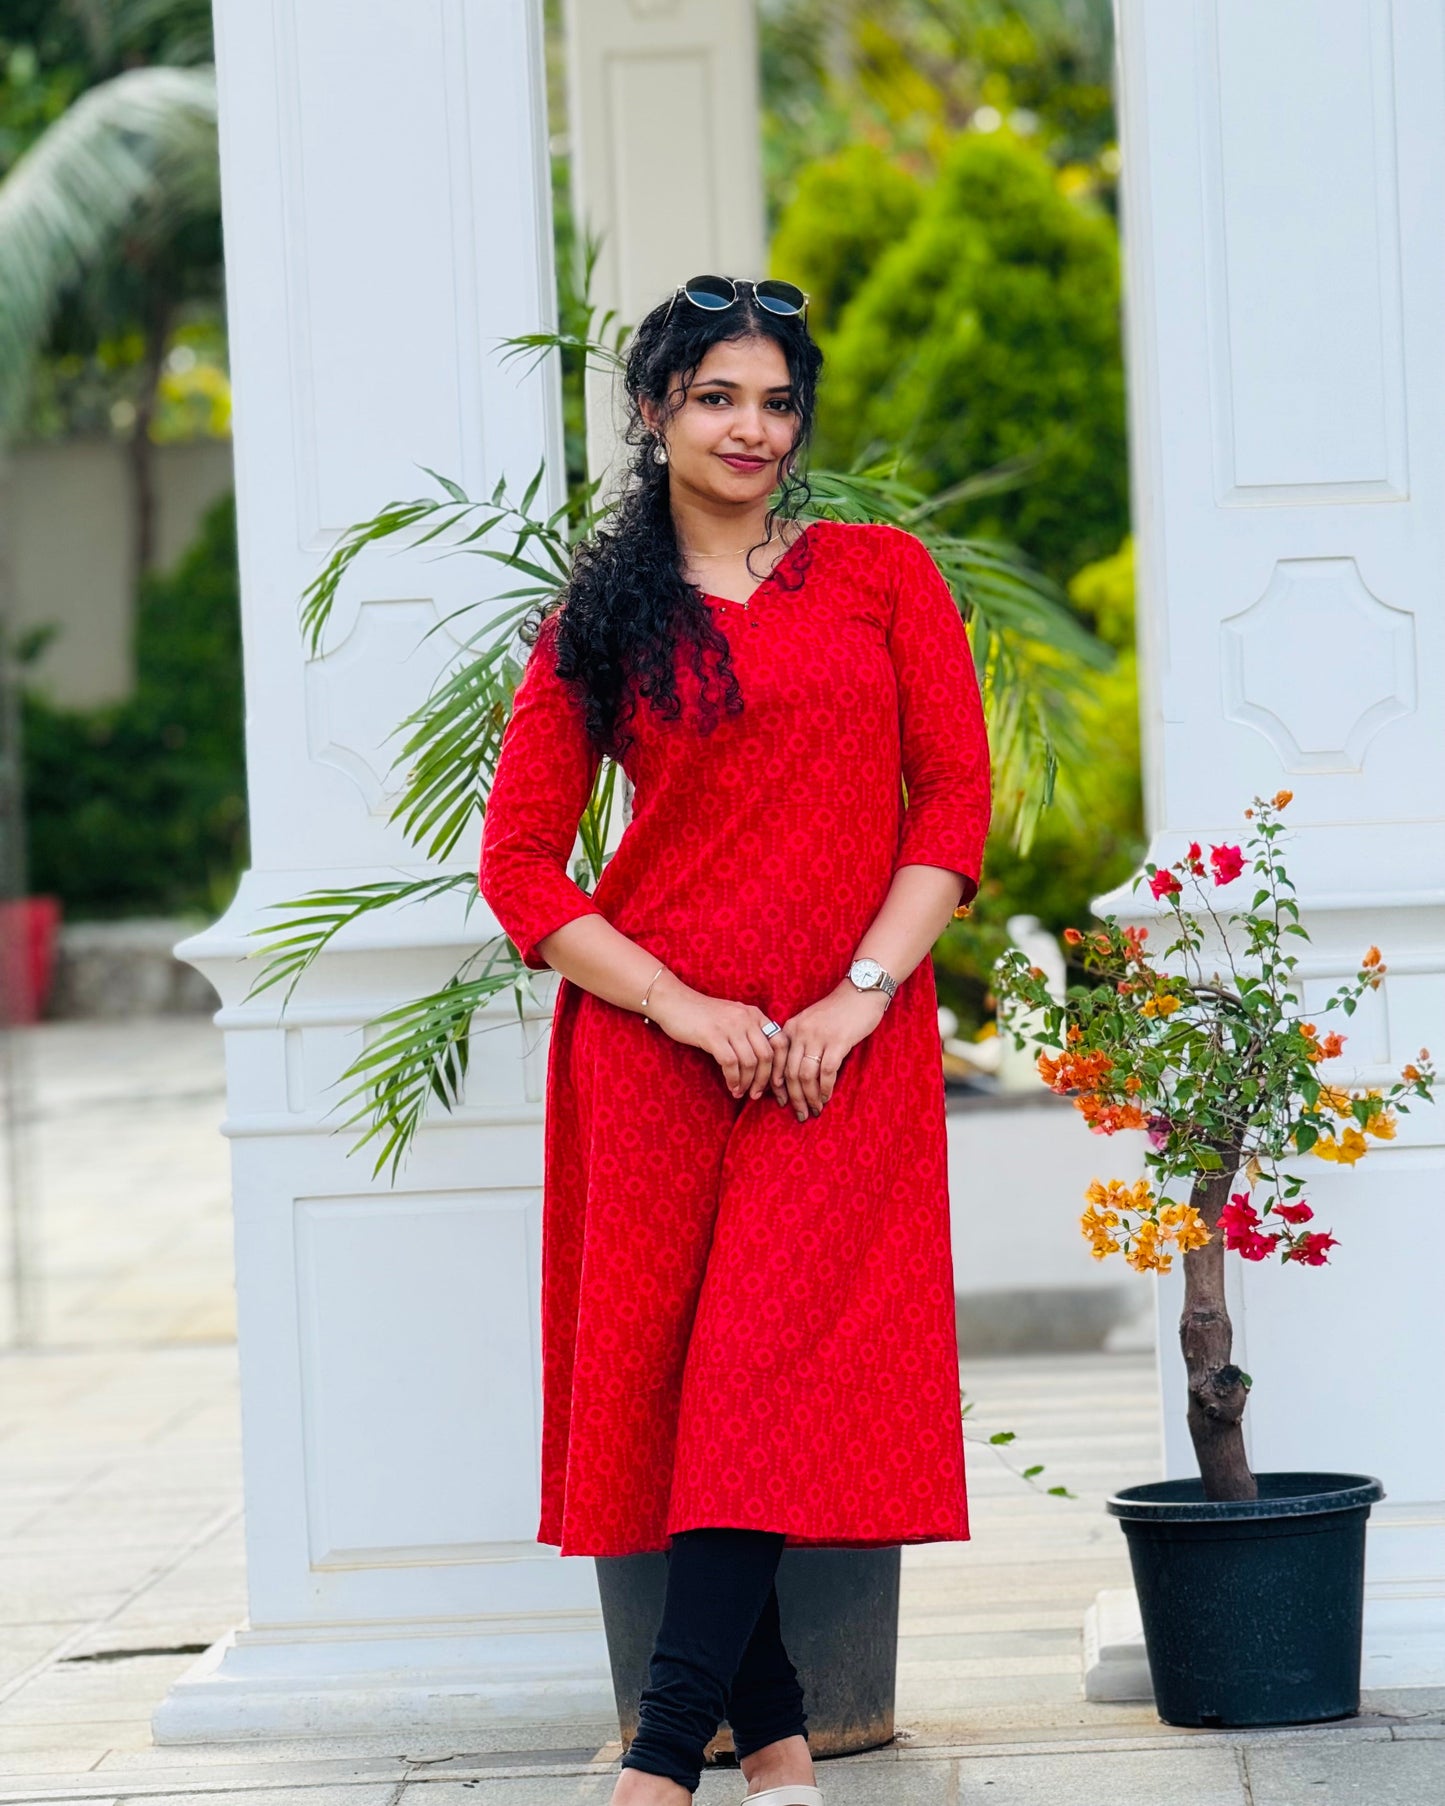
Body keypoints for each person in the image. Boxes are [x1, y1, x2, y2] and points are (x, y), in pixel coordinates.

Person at [478, 272, 993, 1805]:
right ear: (654, 414)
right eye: (715, 397)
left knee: (762, 1380)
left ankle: (655, 1765)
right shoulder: (604, 617)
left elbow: (949, 803)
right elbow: (517, 864)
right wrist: (683, 1006)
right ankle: (772, 1750)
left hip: (841, 1059)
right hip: (657, 1059)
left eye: (774, 399)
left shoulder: (880, 578)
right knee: (690, 1398)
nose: (750, 427)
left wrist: (859, 991)